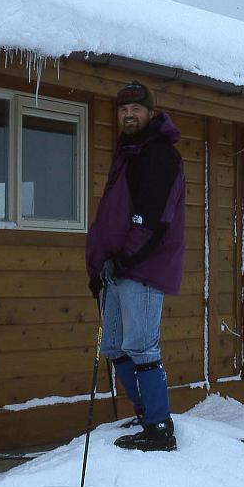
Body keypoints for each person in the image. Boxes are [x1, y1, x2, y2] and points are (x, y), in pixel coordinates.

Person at [85, 81, 186, 452]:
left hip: (141, 266)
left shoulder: (159, 154)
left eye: (136, 109)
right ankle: (145, 413)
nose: (129, 115)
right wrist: (103, 264)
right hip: (117, 267)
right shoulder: (129, 151)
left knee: (141, 345)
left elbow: (151, 218)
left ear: (150, 112)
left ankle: (159, 427)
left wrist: (124, 256)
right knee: (114, 344)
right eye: (123, 110)